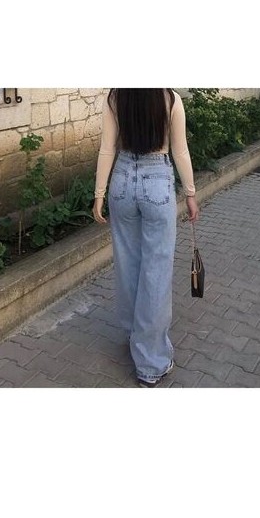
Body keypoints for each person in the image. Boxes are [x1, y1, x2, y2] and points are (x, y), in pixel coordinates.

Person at [92, 88, 199, 387]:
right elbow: (180, 150)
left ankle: (133, 335)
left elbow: (107, 148)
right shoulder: (171, 98)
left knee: (127, 263)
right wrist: (190, 193)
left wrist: (99, 194)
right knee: (156, 271)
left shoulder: (115, 97)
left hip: (122, 180)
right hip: (157, 183)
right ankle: (151, 363)